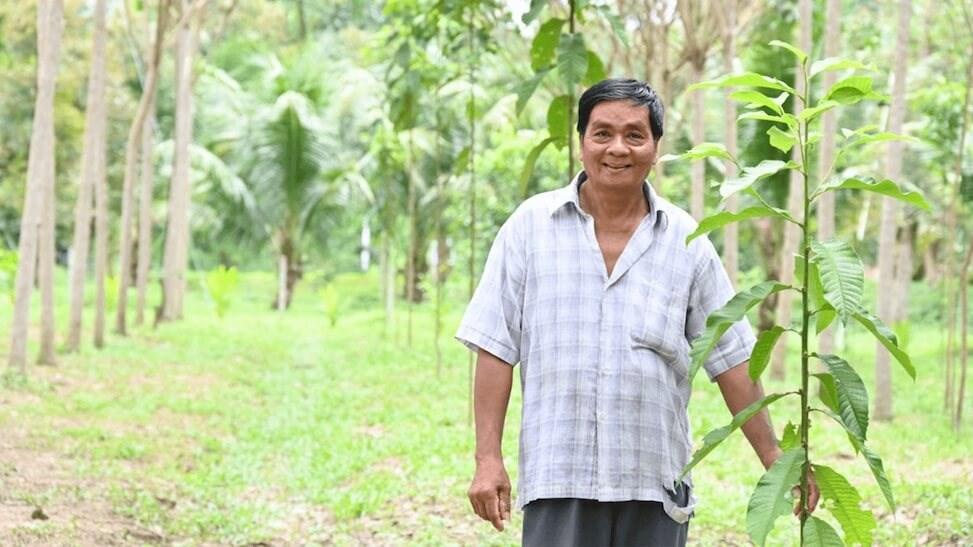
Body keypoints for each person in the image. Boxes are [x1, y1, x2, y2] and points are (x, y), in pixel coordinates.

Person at [455, 78, 818, 546]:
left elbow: (731, 359)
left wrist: (776, 458)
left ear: (655, 146)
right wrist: (488, 459)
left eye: (634, 135)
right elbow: (495, 348)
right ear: (582, 141)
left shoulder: (687, 242)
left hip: (653, 482)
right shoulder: (529, 228)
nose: (617, 149)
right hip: (558, 476)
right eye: (602, 133)